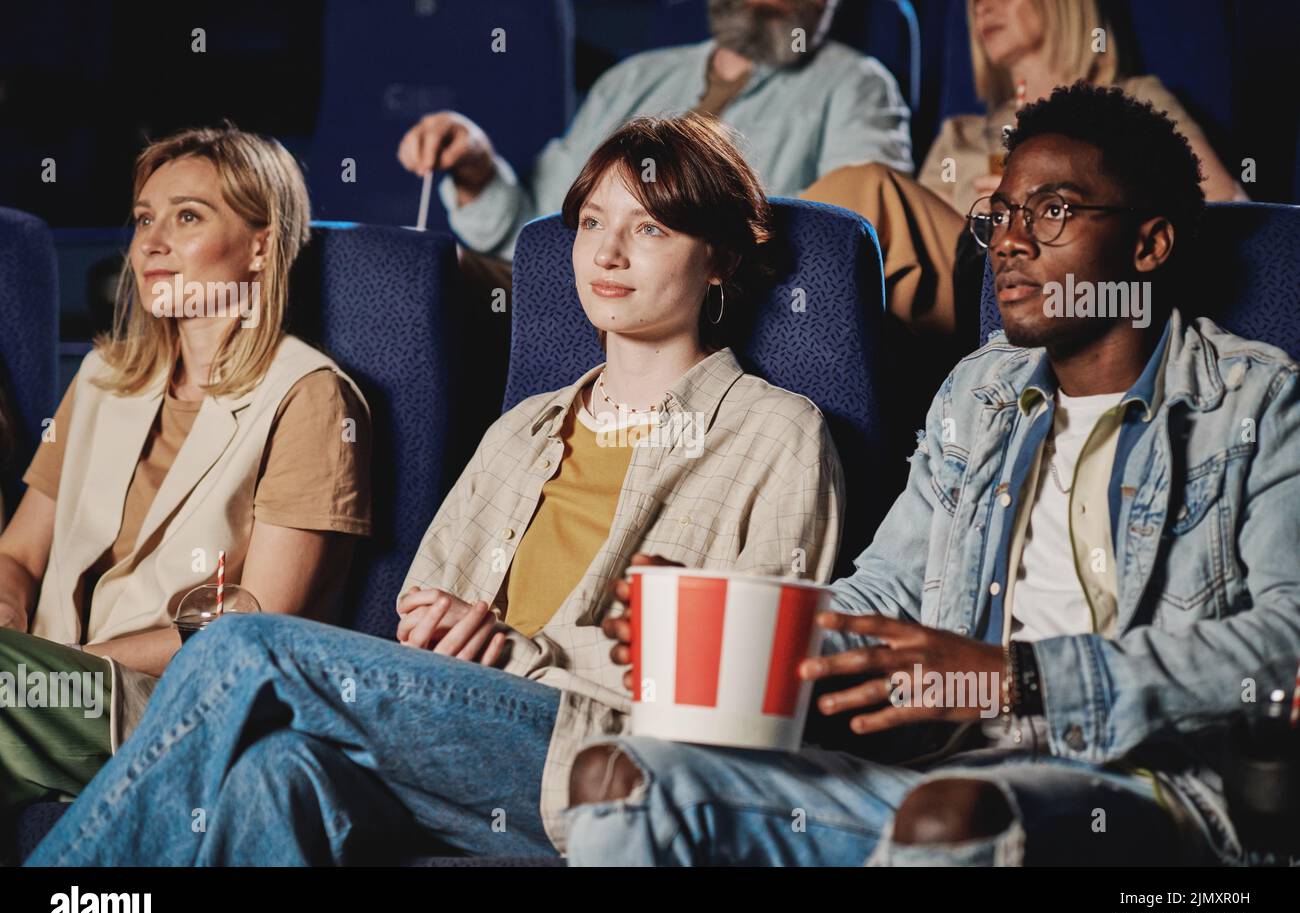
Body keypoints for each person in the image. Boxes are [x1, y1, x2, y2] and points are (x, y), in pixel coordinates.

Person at [26, 113, 845, 866]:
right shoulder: (522, 429)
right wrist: (443, 631)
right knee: (272, 774)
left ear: (722, 261)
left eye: (650, 229)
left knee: (244, 645)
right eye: (592, 222)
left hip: (612, 757)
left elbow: (748, 680)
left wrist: (520, 651)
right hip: (458, 735)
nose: (608, 253)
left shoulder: (777, 432)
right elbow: (424, 608)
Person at [564, 83, 1300, 867]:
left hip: (1148, 785)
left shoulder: (1255, 400)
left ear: (1149, 246)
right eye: (1002, 215)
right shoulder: (979, 393)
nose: (1011, 241)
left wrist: (1021, 677)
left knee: (951, 819)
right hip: (938, 765)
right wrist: (740, 626)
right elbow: (885, 593)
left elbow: (1287, 641)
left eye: (1052, 211)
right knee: (623, 777)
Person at [0, 126, 373, 852]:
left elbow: (260, 620)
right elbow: (17, 553)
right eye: (144, 219)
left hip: (177, 705)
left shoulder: (311, 395)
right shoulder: (104, 378)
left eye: (188, 217)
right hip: (41, 685)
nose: (149, 245)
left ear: (262, 246)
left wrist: (75, 664)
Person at [801, 0, 1246, 338]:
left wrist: (1049, 197)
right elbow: (914, 243)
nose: (981, 7)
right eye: (975, 0)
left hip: (1056, 273)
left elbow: (1231, 209)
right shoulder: (962, 133)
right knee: (857, 229)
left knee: (867, 185)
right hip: (960, 284)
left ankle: (751, 287)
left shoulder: (1132, 101)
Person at [396, 0, 912, 271]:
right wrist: (477, 169)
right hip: (569, 282)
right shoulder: (635, 77)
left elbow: (854, 237)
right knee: (422, 271)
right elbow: (537, 226)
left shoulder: (856, 83)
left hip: (712, 298)